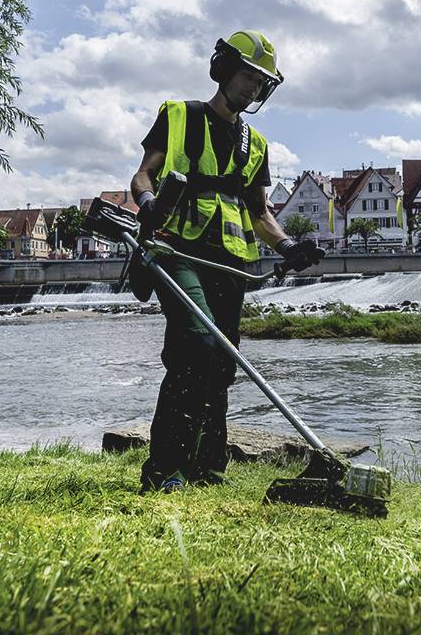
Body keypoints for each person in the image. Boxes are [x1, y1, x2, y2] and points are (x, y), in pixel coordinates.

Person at [130, 30, 322, 492]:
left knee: (221, 362)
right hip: (177, 249)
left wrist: (288, 247)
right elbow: (142, 175)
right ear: (223, 69)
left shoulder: (253, 144)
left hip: (231, 261)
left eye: (261, 83)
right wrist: (148, 201)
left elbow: (259, 212)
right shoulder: (179, 117)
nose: (253, 89)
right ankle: (164, 470)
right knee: (194, 345)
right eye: (248, 77)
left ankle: (207, 468)